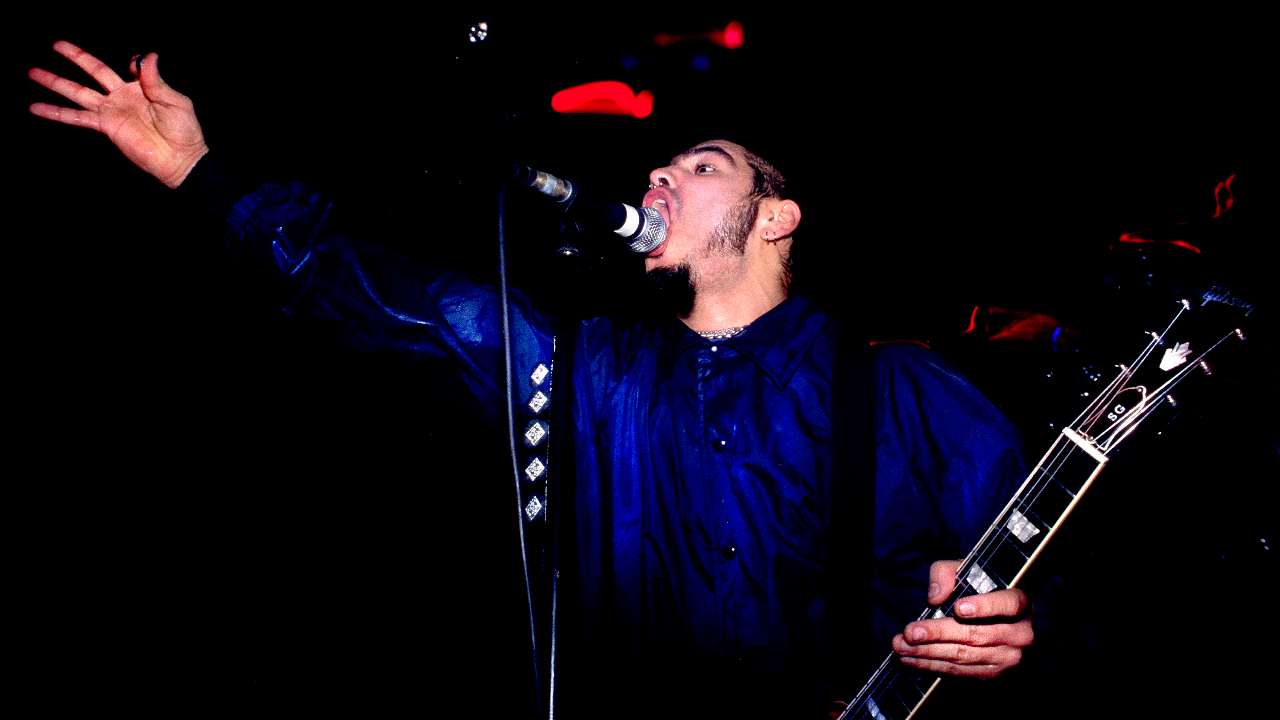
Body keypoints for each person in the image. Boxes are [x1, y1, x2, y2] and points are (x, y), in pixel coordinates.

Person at [29, 41, 1039, 717]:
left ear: (774, 217)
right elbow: (392, 300)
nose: (659, 178)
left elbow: (1046, 555)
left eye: (700, 165)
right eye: (660, 168)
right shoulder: (587, 370)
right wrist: (202, 175)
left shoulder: (900, 389)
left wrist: (1012, 630)